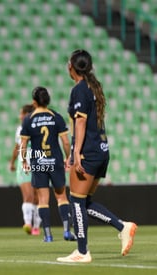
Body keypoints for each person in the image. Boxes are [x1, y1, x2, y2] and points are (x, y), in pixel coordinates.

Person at [57, 49, 137, 263]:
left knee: (75, 201)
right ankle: (123, 227)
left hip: (88, 151)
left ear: (71, 66)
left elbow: (80, 122)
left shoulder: (79, 90)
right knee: (84, 202)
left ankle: (82, 252)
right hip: (101, 150)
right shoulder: (94, 87)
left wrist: (76, 153)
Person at [20, 87, 75, 242]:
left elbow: (23, 145)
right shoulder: (56, 117)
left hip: (38, 161)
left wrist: (24, 160)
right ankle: (66, 231)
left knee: (43, 199)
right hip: (55, 160)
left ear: (34, 101)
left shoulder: (29, 119)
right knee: (61, 197)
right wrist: (68, 158)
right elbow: (65, 141)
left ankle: (48, 235)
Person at [10, 104, 41, 236]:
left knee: (37, 198)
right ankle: (27, 223)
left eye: (21, 113)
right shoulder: (20, 129)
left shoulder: (38, 129)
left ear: (26, 114)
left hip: (37, 163)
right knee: (28, 195)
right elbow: (18, 147)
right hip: (23, 166)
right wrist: (12, 162)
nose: (19, 116)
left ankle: (36, 226)